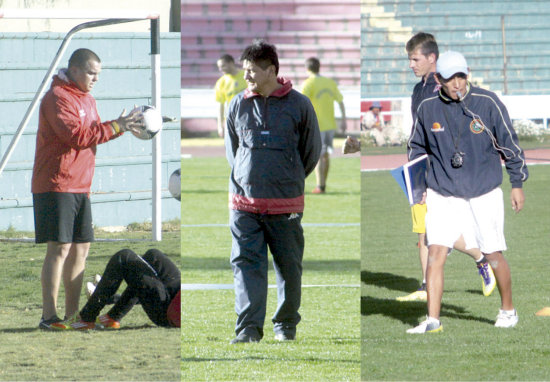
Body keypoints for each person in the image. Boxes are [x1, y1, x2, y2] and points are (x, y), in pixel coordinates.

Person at [406, 50, 528, 333]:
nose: (457, 84)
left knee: (493, 253)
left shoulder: (487, 103)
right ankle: (433, 320)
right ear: (438, 79)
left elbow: (510, 144)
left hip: (483, 190)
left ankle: (508, 310)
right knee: (435, 252)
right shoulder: (427, 107)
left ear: (467, 73)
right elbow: (416, 148)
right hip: (442, 191)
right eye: (450, 79)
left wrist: (517, 184)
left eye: (461, 76)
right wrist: (418, 185)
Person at [32, 48, 143, 330]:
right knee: (59, 248)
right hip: (56, 184)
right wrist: (117, 126)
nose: (96, 79)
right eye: (92, 73)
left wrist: (120, 127)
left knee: (81, 249)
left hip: (81, 186)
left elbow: (94, 134)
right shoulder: (56, 98)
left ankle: (72, 317)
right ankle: (49, 317)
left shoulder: (89, 99)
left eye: (98, 74)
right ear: (75, 69)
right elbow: (77, 136)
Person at [225, 40, 321, 344]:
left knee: (289, 269)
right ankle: (249, 330)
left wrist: (287, 178)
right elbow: (233, 152)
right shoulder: (237, 103)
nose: (247, 77)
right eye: (245, 71)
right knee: (246, 267)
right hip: (244, 205)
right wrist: (247, 176)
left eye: (252, 71)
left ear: (271, 70)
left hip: (286, 204)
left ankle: (285, 325)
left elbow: (311, 151)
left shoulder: (300, 104)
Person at [397, 32, 496, 303]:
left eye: (415, 59)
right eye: (409, 59)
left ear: (432, 58)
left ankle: (481, 259)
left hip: (443, 172)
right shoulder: (419, 89)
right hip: (421, 166)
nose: (411, 64)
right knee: (422, 233)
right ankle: (426, 285)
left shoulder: (445, 90)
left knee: (438, 233)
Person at [51, 249, 181, 330]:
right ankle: (113, 317)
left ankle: (86, 318)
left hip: (169, 312)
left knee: (123, 257)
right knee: (153, 256)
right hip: (176, 294)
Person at [301, 57, 346, 194]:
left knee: (319, 156)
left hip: (316, 125)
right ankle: (323, 185)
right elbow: (340, 101)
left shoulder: (309, 83)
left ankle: (320, 186)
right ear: (319, 67)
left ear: (307, 68)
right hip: (330, 125)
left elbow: (302, 103)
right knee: (325, 155)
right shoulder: (329, 83)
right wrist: (343, 119)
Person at [214, 54, 247, 138]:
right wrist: (220, 125)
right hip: (232, 120)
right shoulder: (221, 83)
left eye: (223, 66)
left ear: (231, 63)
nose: (220, 69)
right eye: (219, 67)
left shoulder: (246, 76)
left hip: (248, 117)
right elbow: (220, 106)